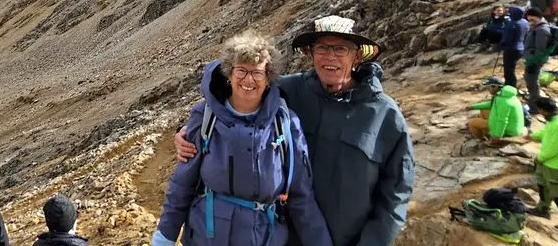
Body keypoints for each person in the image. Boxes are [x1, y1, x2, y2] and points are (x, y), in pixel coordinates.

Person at [175, 16, 414, 246]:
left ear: (357, 56)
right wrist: (186, 131)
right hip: (280, 237)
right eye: (322, 48)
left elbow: (396, 194)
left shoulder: (385, 115)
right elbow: (232, 100)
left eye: (340, 49)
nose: (330, 56)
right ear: (311, 53)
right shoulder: (286, 92)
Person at [152, 31, 331, 246]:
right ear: (229, 73)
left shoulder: (286, 123)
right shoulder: (205, 117)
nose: (248, 79)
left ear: (268, 78)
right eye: (241, 71)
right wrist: (164, 238)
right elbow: (182, 185)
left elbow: (301, 197)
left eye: (257, 73)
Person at [526, 98, 558, 233]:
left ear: (543, 110)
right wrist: (533, 136)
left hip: (557, 166)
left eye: (539, 110)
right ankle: (542, 209)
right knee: (543, 187)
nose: (539, 112)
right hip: (547, 163)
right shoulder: (554, 120)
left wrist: (540, 158)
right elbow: (547, 133)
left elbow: (554, 148)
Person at [466, 77, 525, 141]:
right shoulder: (504, 95)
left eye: (489, 87)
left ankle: (481, 139)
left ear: (496, 87)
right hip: (513, 125)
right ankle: (486, 131)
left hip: (509, 131)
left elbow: (502, 120)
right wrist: (473, 107)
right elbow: (491, 104)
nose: (488, 89)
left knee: (472, 123)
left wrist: (497, 136)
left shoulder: (504, 101)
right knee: (483, 110)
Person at [522, 8, 553, 110]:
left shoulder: (541, 30)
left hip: (534, 61)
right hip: (532, 59)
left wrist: (533, 62)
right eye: (529, 19)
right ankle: (534, 102)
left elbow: (540, 50)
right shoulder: (537, 27)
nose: (530, 21)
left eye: (532, 19)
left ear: (539, 17)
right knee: (530, 80)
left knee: (532, 82)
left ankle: (535, 107)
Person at [498, 6, 529, 87]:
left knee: (508, 70)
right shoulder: (525, 22)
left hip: (511, 49)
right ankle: (511, 85)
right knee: (512, 68)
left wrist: (501, 45)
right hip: (521, 48)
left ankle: (510, 86)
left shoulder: (512, 24)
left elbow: (507, 38)